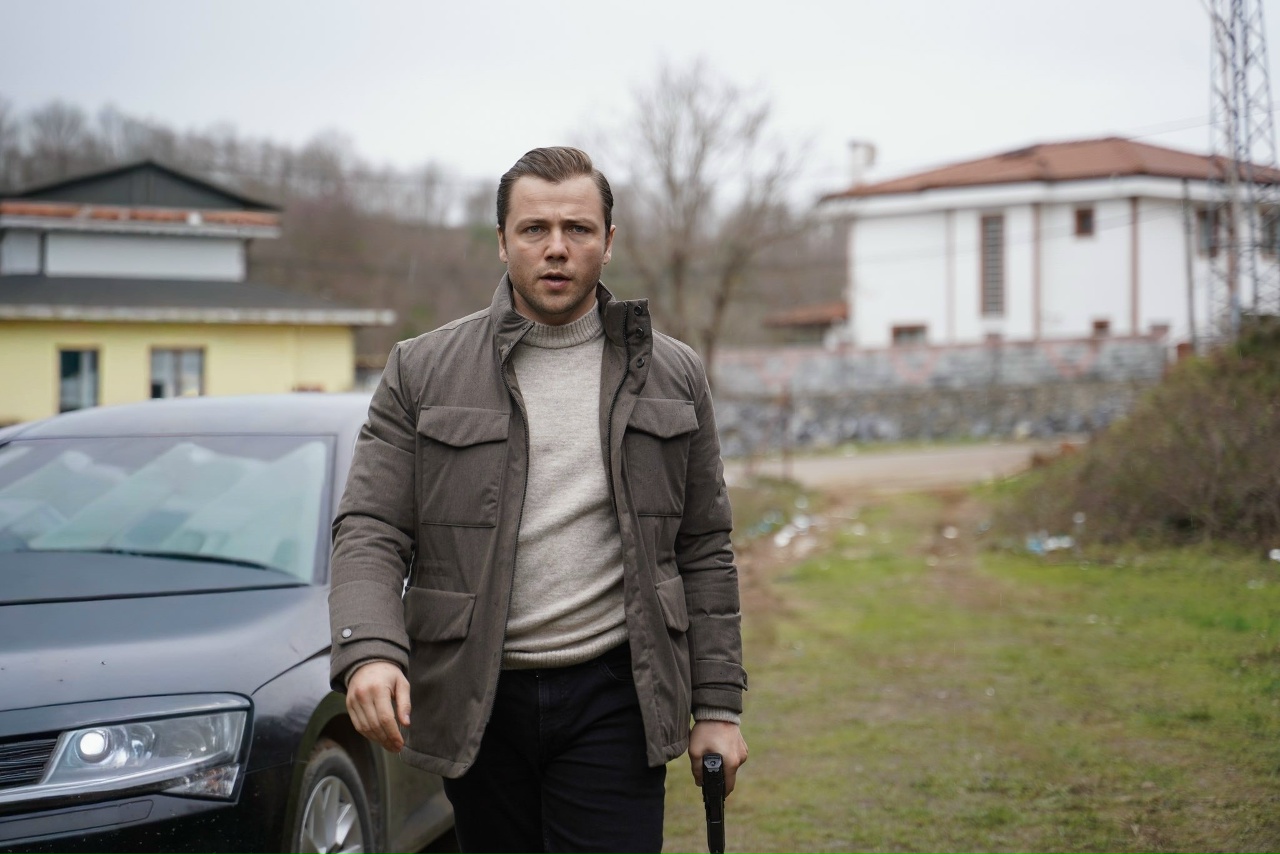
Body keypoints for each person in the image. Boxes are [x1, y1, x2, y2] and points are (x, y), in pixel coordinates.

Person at [328, 146, 748, 853]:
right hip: (477, 698)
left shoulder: (674, 374)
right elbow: (370, 528)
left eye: (578, 229)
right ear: (502, 241)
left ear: (608, 242)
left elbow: (704, 547)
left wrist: (717, 707)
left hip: (618, 693)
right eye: (534, 229)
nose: (557, 248)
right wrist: (370, 650)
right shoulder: (421, 371)